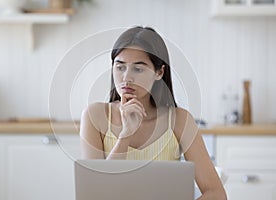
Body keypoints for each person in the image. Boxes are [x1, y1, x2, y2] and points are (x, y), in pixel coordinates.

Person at [80, 26, 227, 200]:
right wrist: (125, 135)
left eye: (138, 68)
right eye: (120, 67)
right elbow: (97, 193)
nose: (127, 77)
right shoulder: (95, 116)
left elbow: (216, 193)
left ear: (159, 72)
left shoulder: (179, 120)